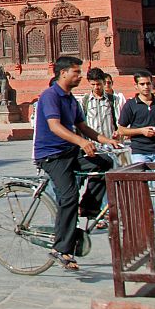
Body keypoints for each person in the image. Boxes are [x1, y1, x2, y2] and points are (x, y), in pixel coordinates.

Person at [33, 55, 119, 271]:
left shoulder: (71, 99)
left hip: (69, 152)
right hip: (52, 155)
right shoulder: (50, 96)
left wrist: (105, 140)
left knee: (104, 163)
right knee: (68, 196)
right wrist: (81, 142)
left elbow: (83, 126)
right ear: (63, 73)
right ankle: (61, 248)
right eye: (76, 72)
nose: (80, 76)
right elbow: (54, 126)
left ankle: (88, 206)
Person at [118, 71, 155, 223]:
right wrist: (141, 131)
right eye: (142, 84)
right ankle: (147, 219)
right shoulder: (130, 105)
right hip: (139, 152)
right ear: (136, 86)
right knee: (142, 187)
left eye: (148, 83)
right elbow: (122, 130)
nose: (146, 87)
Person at [81, 68, 118, 140]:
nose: (96, 87)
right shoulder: (85, 101)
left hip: (110, 142)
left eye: (98, 84)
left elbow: (118, 121)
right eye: (93, 84)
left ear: (104, 82)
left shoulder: (113, 99)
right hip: (93, 143)